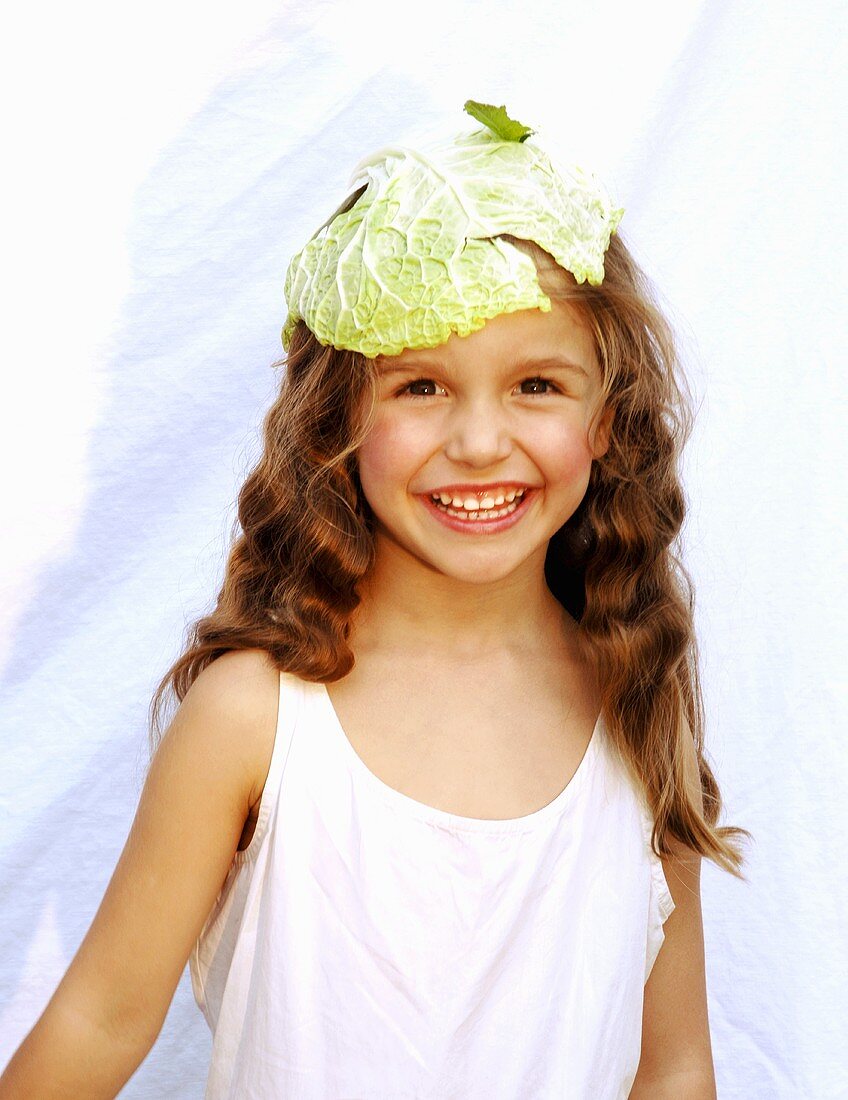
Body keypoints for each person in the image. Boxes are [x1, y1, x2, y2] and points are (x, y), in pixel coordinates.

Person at [0, 99, 750, 1099]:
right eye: (419, 386)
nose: (479, 442)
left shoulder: (633, 695)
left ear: (606, 420)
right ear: (339, 414)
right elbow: (96, 1024)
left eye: (534, 384)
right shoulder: (253, 714)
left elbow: (672, 1067)